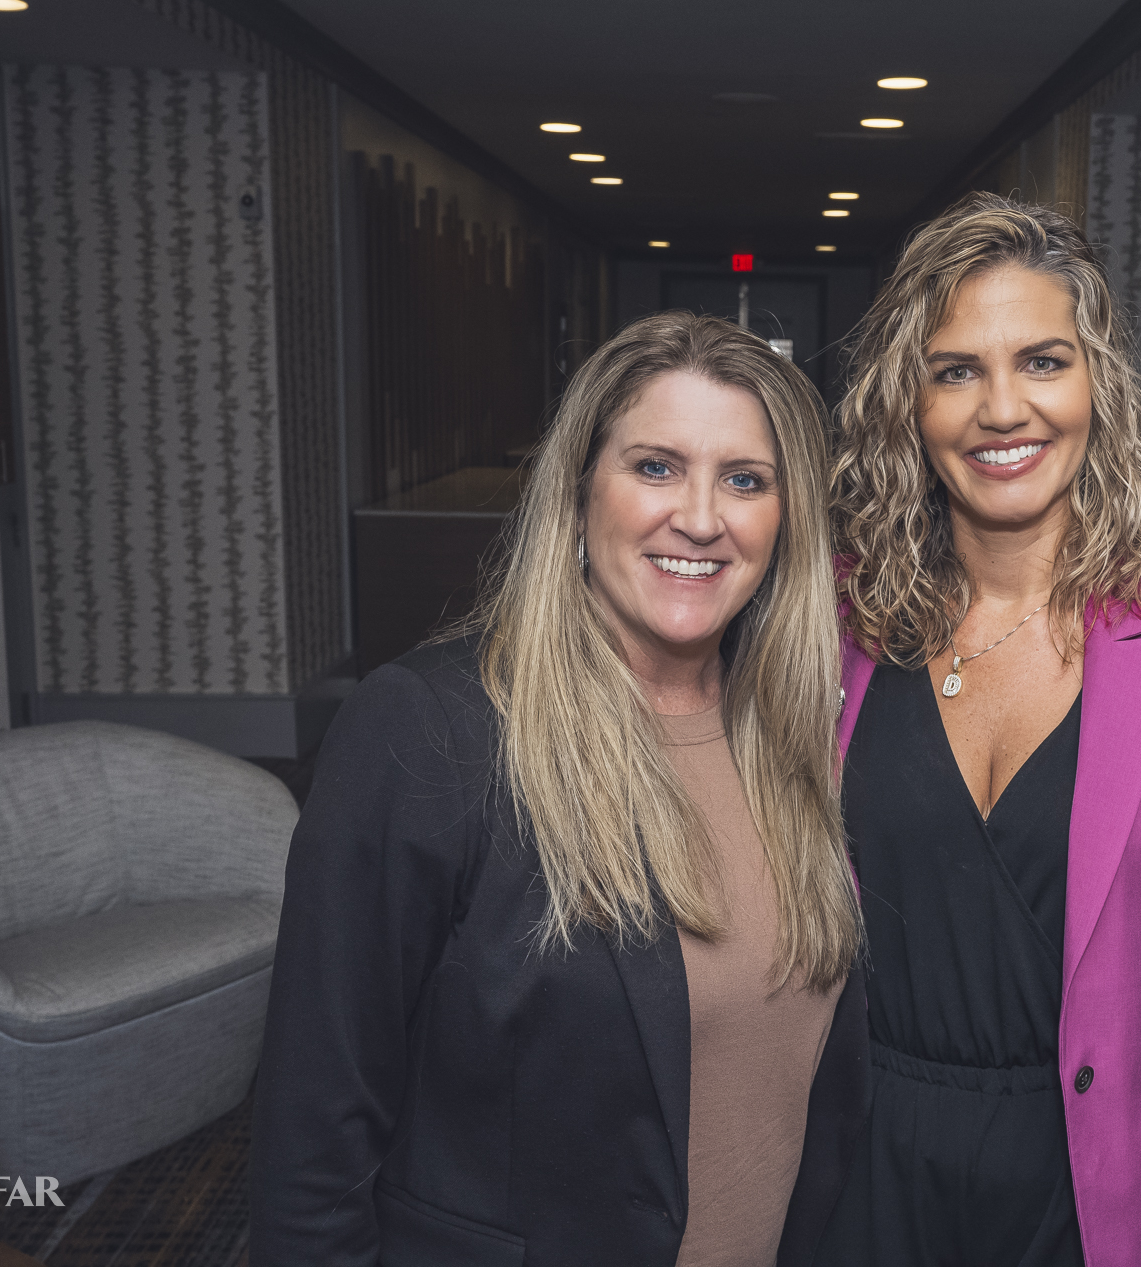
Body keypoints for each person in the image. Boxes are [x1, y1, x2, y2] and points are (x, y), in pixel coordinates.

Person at [250, 312, 865, 1267]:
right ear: (579, 491)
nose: (702, 517)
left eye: (746, 479)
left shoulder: (803, 735)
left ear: (787, 523)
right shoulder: (427, 730)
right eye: (656, 466)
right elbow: (311, 1137)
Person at [816, 192, 1141, 1267]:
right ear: (908, 405)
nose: (1002, 408)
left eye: (1043, 361)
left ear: (1097, 384)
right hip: (867, 1148)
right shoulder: (833, 622)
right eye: (955, 370)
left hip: (1102, 1170)